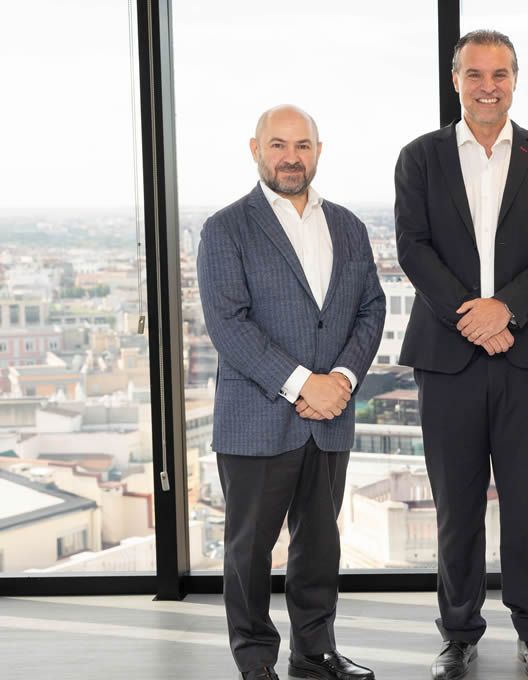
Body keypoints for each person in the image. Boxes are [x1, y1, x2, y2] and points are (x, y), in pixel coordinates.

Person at [393, 29, 528, 680]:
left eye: (499, 74)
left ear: (515, 80)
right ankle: (459, 634)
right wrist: (474, 314)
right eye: (475, 74)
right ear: (456, 80)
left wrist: (508, 309)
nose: (488, 86)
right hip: (448, 357)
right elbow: (413, 247)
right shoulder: (420, 157)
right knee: (457, 505)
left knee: (527, 506)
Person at [197, 105, 385, 680]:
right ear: (254, 149)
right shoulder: (225, 228)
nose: (290, 157)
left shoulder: (349, 226)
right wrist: (308, 384)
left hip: (330, 415)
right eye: (277, 145)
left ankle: (314, 650)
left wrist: (344, 381)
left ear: (318, 151)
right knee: (250, 550)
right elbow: (229, 324)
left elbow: (370, 309)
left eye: (301, 145)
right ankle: (255, 661)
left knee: (320, 544)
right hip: (257, 417)